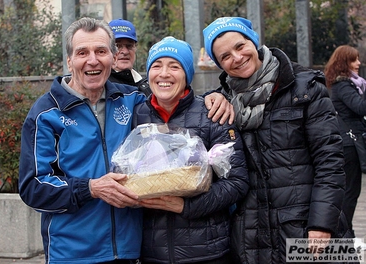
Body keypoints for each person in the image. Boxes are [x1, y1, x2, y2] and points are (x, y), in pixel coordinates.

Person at [18, 17, 233, 263]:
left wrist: (215, 97)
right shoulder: (46, 114)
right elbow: (32, 188)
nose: (93, 60)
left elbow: (173, 98)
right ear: (69, 60)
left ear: (112, 56)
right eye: (82, 52)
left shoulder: (132, 100)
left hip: (131, 251)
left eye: (101, 51)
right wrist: (90, 188)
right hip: (73, 253)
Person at [203, 17, 347, 263]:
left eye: (240, 46)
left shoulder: (305, 88)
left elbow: (330, 160)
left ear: (254, 42)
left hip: (308, 228)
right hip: (253, 236)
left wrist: (322, 223)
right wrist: (210, 97)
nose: (236, 58)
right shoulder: (221, 102)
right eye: (225, 56)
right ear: (219, 64)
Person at [132, 36, 249, 264]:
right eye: (156, 66)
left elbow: (237, 182)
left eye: (174, 66)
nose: (164, 74)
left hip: (207, 252)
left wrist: (186, 206)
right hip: (151, 253)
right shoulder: (136, 116)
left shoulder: (213, 114)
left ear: (187, 75)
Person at [324, 45, 366, 236]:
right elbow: (360, 108)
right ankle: (343, 233)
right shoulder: (343, 85)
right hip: (349, 144)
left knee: (350, 192)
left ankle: (345, 231)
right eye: (353, 60)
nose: (358, 63)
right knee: (350, 193)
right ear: (343, 63)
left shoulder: (349, 84)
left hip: (351, 142)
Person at [108, 18, 152, 96]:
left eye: (129, 46)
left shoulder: (147, 85)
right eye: (117, 46)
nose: (125, 52)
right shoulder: (101, 87)